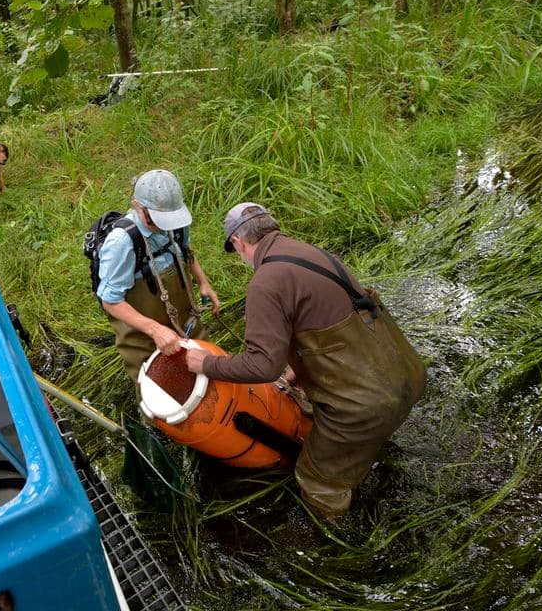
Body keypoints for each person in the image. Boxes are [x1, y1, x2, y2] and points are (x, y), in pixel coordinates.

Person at [186, 202, 426, 519]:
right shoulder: (312, 253)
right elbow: (332, 328)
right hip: (406, 376)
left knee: (316, 479)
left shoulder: (265, 282)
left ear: (238, 242)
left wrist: (206, 364)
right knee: (364, 438)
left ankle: (337, 540)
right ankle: (370, 455)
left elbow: (262, 366)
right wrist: (297, 369)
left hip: (366, 408)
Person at [95, 169, 221, 381]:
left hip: (186, 322)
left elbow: (186, 250)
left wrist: (203, 282)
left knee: (211, 373)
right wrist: (155, 330)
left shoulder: (177, 223)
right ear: (137, 206)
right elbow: (110, 301)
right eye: (157, 219)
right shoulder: (122, 243)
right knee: (162, 388)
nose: (165, 226)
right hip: (144, 339)